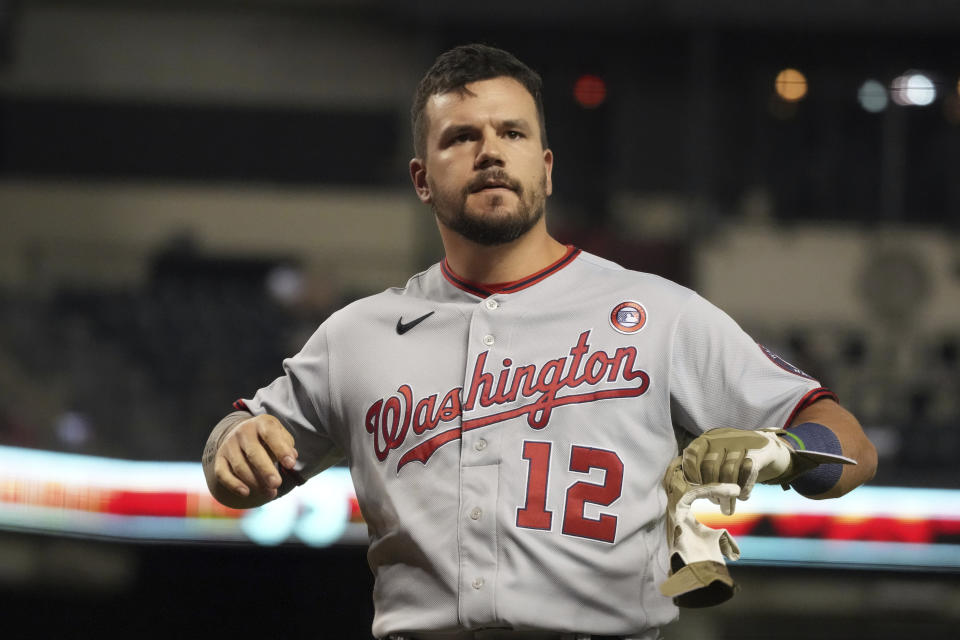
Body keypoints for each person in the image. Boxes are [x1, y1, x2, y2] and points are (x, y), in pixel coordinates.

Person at [202, 43, 877, 640]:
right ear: (421, 179)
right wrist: (230, 446)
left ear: (547, 167)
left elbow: (850, 448)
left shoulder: (655, 312)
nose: (490, 150)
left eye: (512, 133)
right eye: (461, 137)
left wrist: (779, 450)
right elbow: (235, 463)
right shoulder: (357, 335)